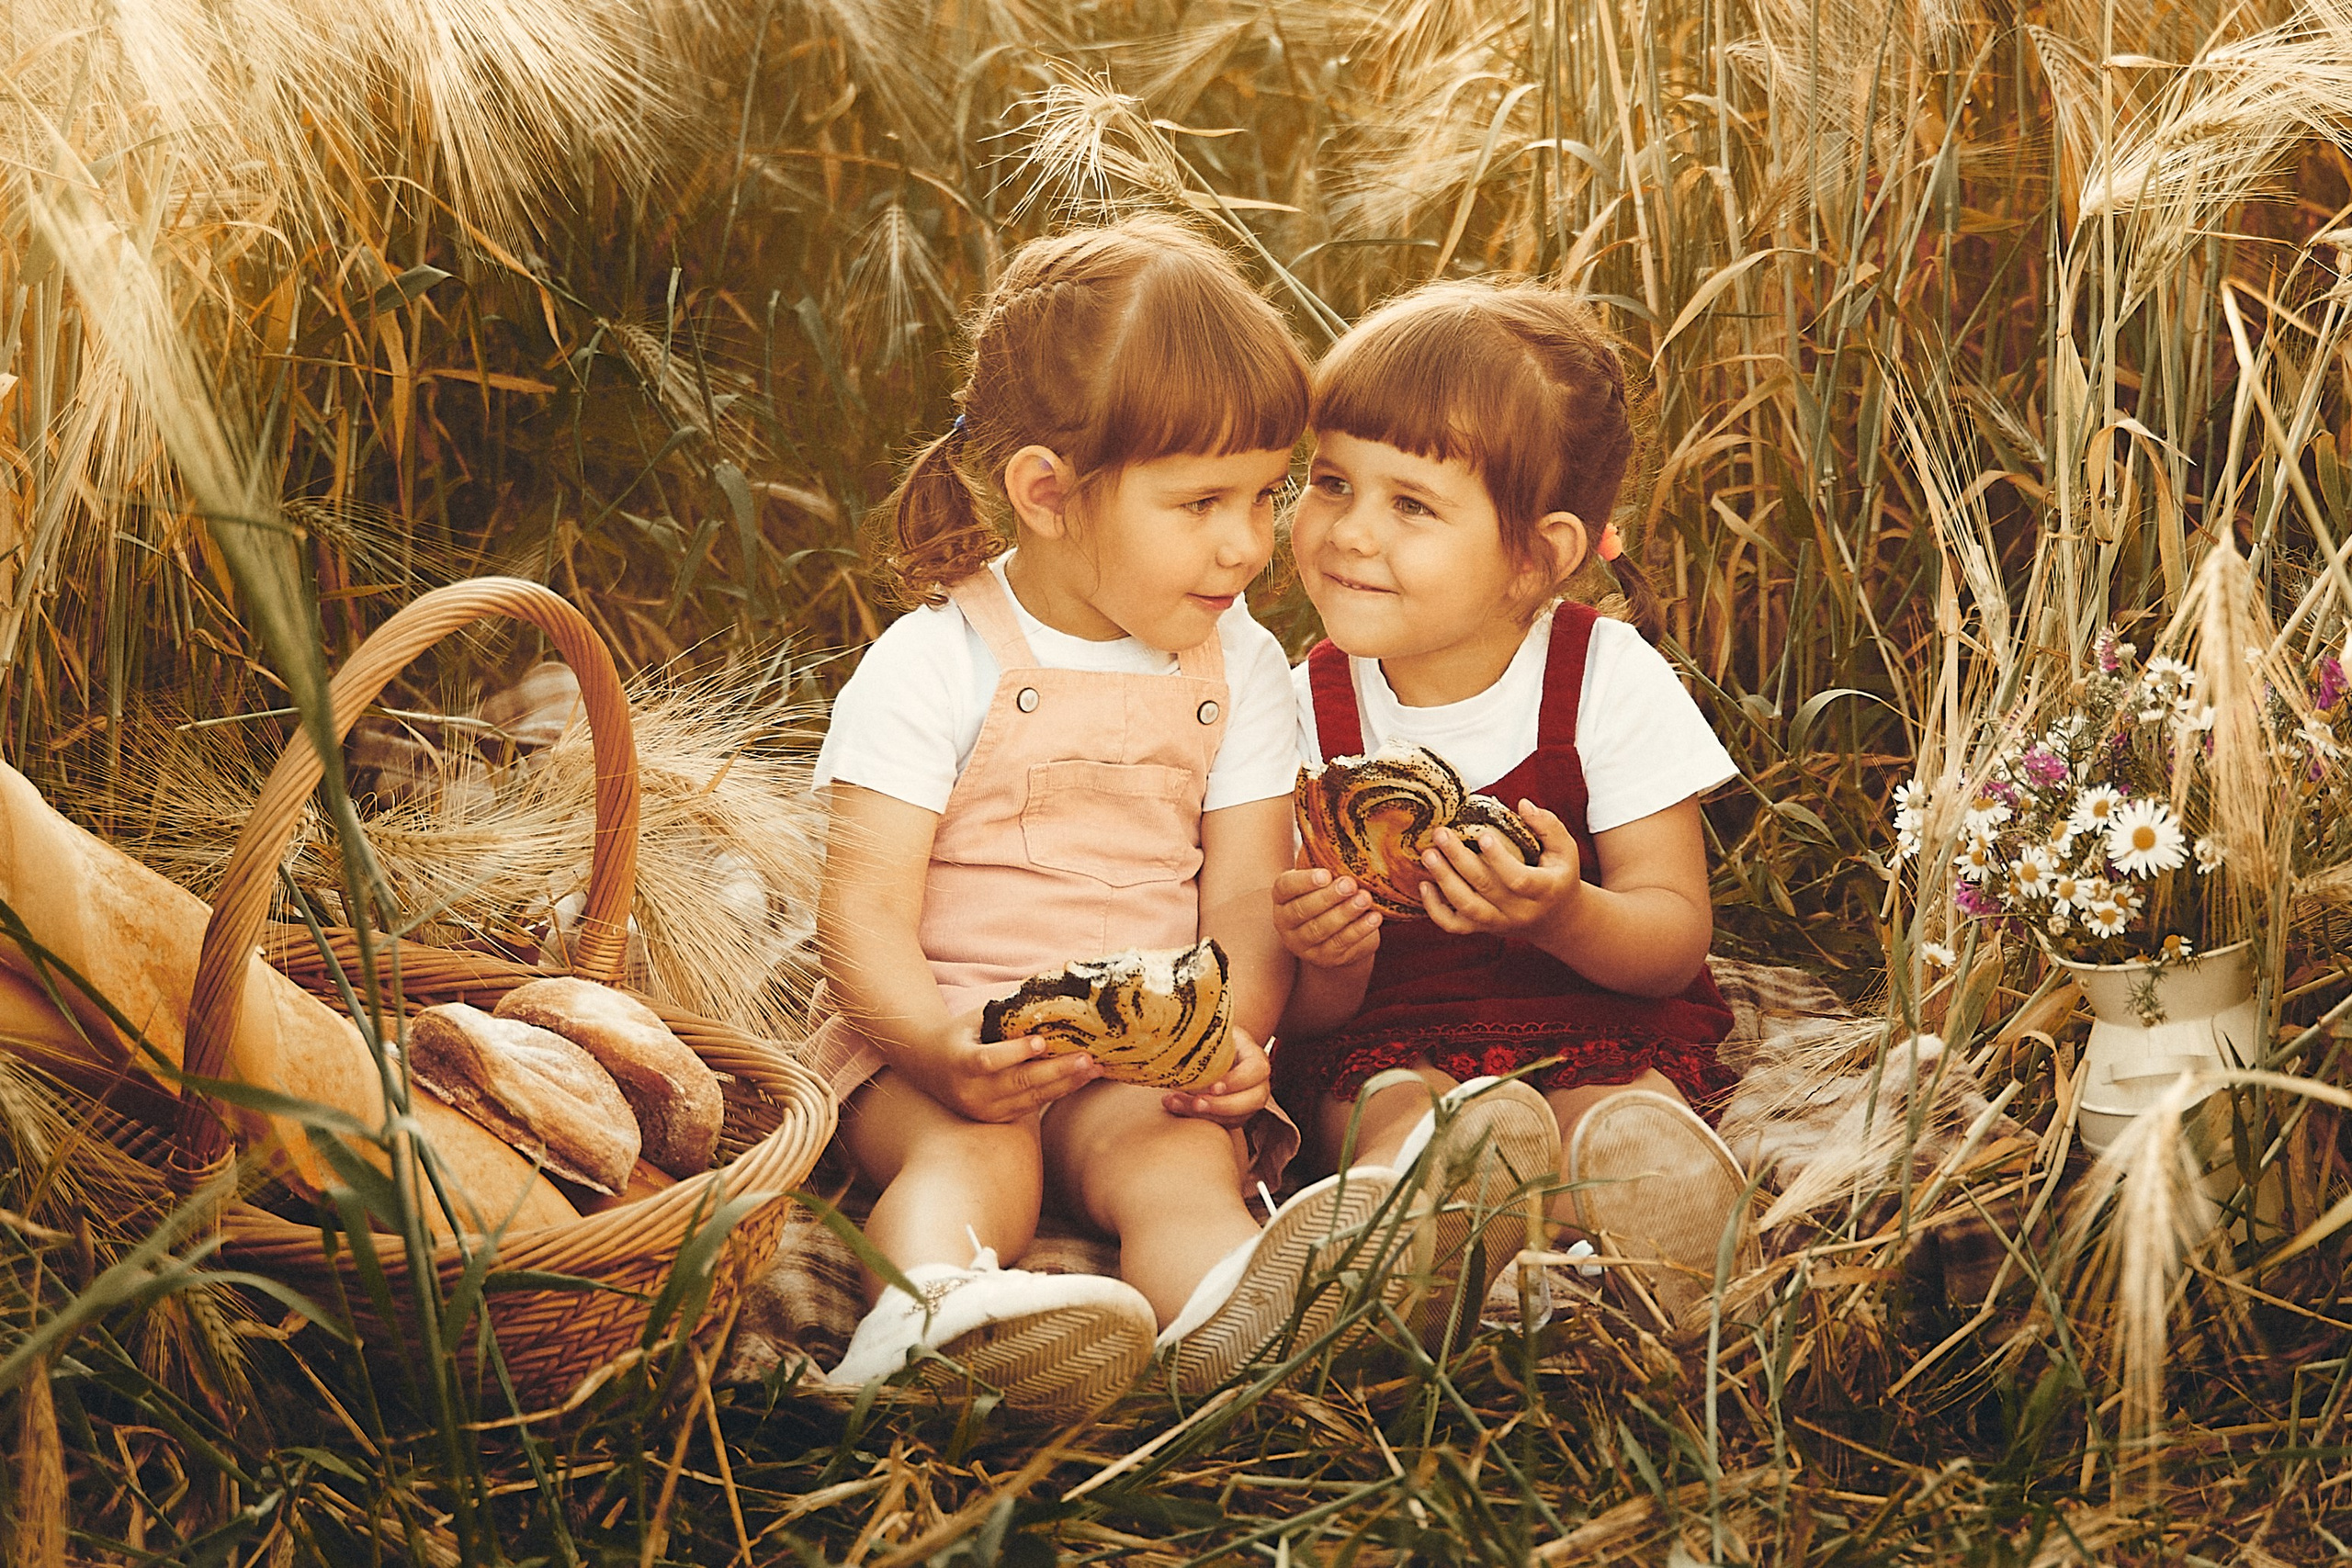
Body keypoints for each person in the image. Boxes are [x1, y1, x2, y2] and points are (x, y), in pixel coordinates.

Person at [809, 217, 1396, 1416]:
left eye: (1264, 493)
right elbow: (861, 912)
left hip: (1142, 1044)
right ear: (1048, 492)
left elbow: (1240, 898)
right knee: (982, 1158)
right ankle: (924, 1329)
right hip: (945, 1036)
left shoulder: (1238, 663)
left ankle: (1236, 1333)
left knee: (1184, 1160)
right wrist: (938, 1049)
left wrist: (1225, 1034)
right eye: (1200, 501)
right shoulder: (934, 663)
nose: (1249, 542)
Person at [1272, 280, 1752, 1328]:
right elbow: (1302, 1014)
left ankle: (1671, 1244)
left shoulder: (1603, 675)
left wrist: (1563, 913)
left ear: (1538, 556)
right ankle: (1433, 1251)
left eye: (1410, 504)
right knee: (1404, 1117)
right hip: (1389, 1031)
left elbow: (1670, 937)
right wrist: (1329, 952)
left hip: (1589, 1015)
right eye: (1330, 482)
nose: (1349, 532)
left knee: (1620, 1118)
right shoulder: (1295, 710)